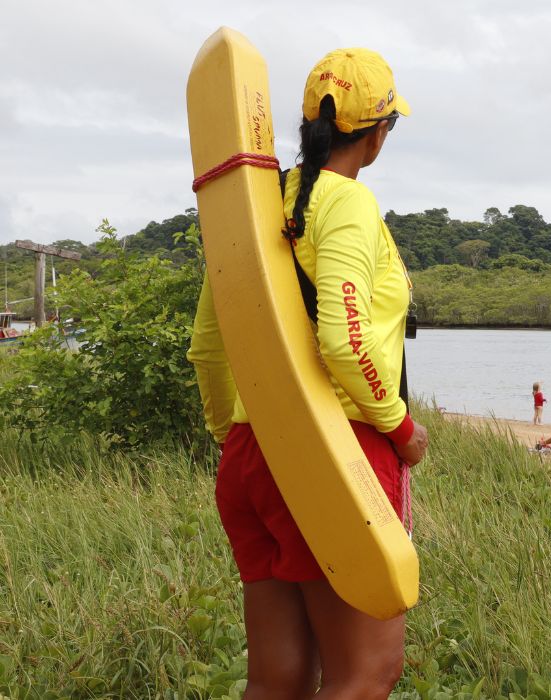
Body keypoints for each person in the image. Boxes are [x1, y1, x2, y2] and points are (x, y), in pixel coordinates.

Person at [187, 48, 425, 697]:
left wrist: (236, 435)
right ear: (377, 134)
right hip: (337, 453)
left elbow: (209, 345)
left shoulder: (255, 205)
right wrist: (401, 428)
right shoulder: (347, 203)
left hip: (250, 456)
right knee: (365, 675)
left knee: (277, 680)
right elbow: (344, 343)